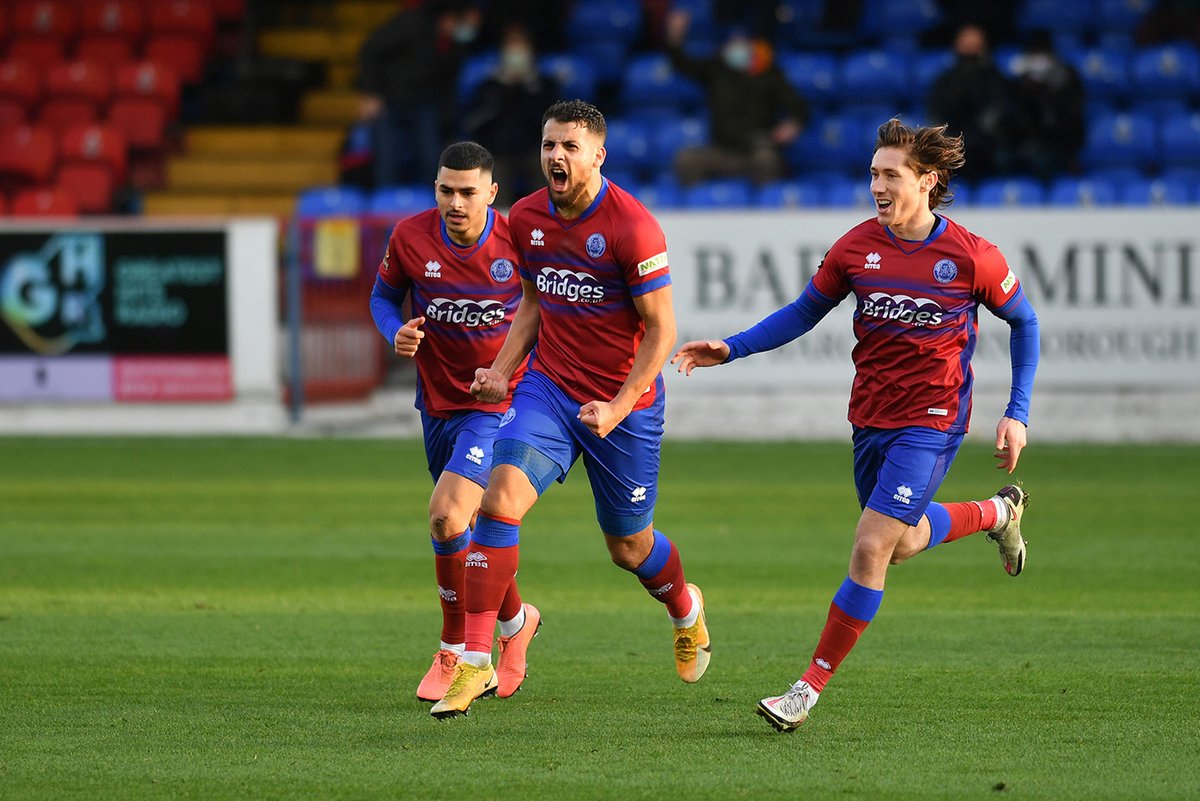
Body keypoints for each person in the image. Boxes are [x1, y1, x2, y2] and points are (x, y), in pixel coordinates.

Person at [672, 118, 1040, 732]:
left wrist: (1017, 412)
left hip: (933, 420)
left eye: (890, 174)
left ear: (928, 181)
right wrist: (731, 348)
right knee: (900, 545)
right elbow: (802, 312)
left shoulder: (972, 256)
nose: (877, 185)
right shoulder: (855, 248)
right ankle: (998, 514)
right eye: (873, 173)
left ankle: (804, 690)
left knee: (870, 546)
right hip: (871, 419)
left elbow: (1025, 323)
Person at [429, 99, 712, 719]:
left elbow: (662, 333)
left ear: (597, 155)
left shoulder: (632, 227)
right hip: (549, 389)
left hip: (625, 403)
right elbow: (532, 303)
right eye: (549, 145)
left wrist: (617, 405)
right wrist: (502, 372)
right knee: (498, 501)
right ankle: (476, 662)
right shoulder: (526, 217)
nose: (556, 156)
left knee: (629, 548)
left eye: (570, 147)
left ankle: (685, 610)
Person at [369, 141, 540, 705]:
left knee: (446, 518)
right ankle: (517, 624)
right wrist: (394, 329)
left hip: (498, 403)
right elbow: (382, 296)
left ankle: (457, 650)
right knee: (465, 532)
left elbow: (549, 313)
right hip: (437, 403)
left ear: (492, 193)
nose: (456, 202)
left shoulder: (518, 241)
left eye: (469, 192)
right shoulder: (411, 237)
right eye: (446, 190)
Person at [665, 10, 809, 186]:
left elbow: (798, 106)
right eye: (731, 43)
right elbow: (682, 64)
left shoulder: (769, 75)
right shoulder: (716, 70)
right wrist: (675, 36)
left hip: (755, 151)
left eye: (741, 43)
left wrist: (793, 125)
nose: (736, 48)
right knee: (686, 160)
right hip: (720, 150)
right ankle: (698, 204)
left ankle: (766, 207)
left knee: (766, 160)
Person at [356, 0, 481, 188]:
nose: (466, 30)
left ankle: (432, 207)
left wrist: (449, 125)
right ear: (448, 18)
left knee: (430, 159)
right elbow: (370, 49)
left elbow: (447, 88)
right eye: (464, 23)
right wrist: (370, 93)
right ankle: (386, 209)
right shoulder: (411, 23)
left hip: (424, 103)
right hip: (389, 101)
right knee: (387, 161)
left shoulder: (455, 47)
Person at [462, 23, 559, 207]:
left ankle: (544, 219)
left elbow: (553, 122)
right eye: (511, 46)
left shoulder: (544, 85)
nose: (516, 52)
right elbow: (475, 123)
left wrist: (527, 90)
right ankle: (501, 224)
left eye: (521, 46)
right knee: (492, 170)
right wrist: (503, 93)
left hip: (534, 149)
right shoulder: (489, 86)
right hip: (499, 151)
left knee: (549, 164)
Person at [927, 23, 1016, 180]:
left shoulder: (996, 79)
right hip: (953, 144)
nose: (970, 56)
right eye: (966, 49)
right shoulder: (945, 81)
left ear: (984, 49)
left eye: (975, 48)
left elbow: (1004, 110)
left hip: (990, 147)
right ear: (956, 48)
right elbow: (936, 114)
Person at [1010, 30, 1085, 181]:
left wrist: (1048, 94)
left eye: (1043, 57)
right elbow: (1012, 115)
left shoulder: (1066, 77)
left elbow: (1073, 117)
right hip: (1023, 139)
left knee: (1044, 161)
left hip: (1059, 140)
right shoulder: (1017, 82)